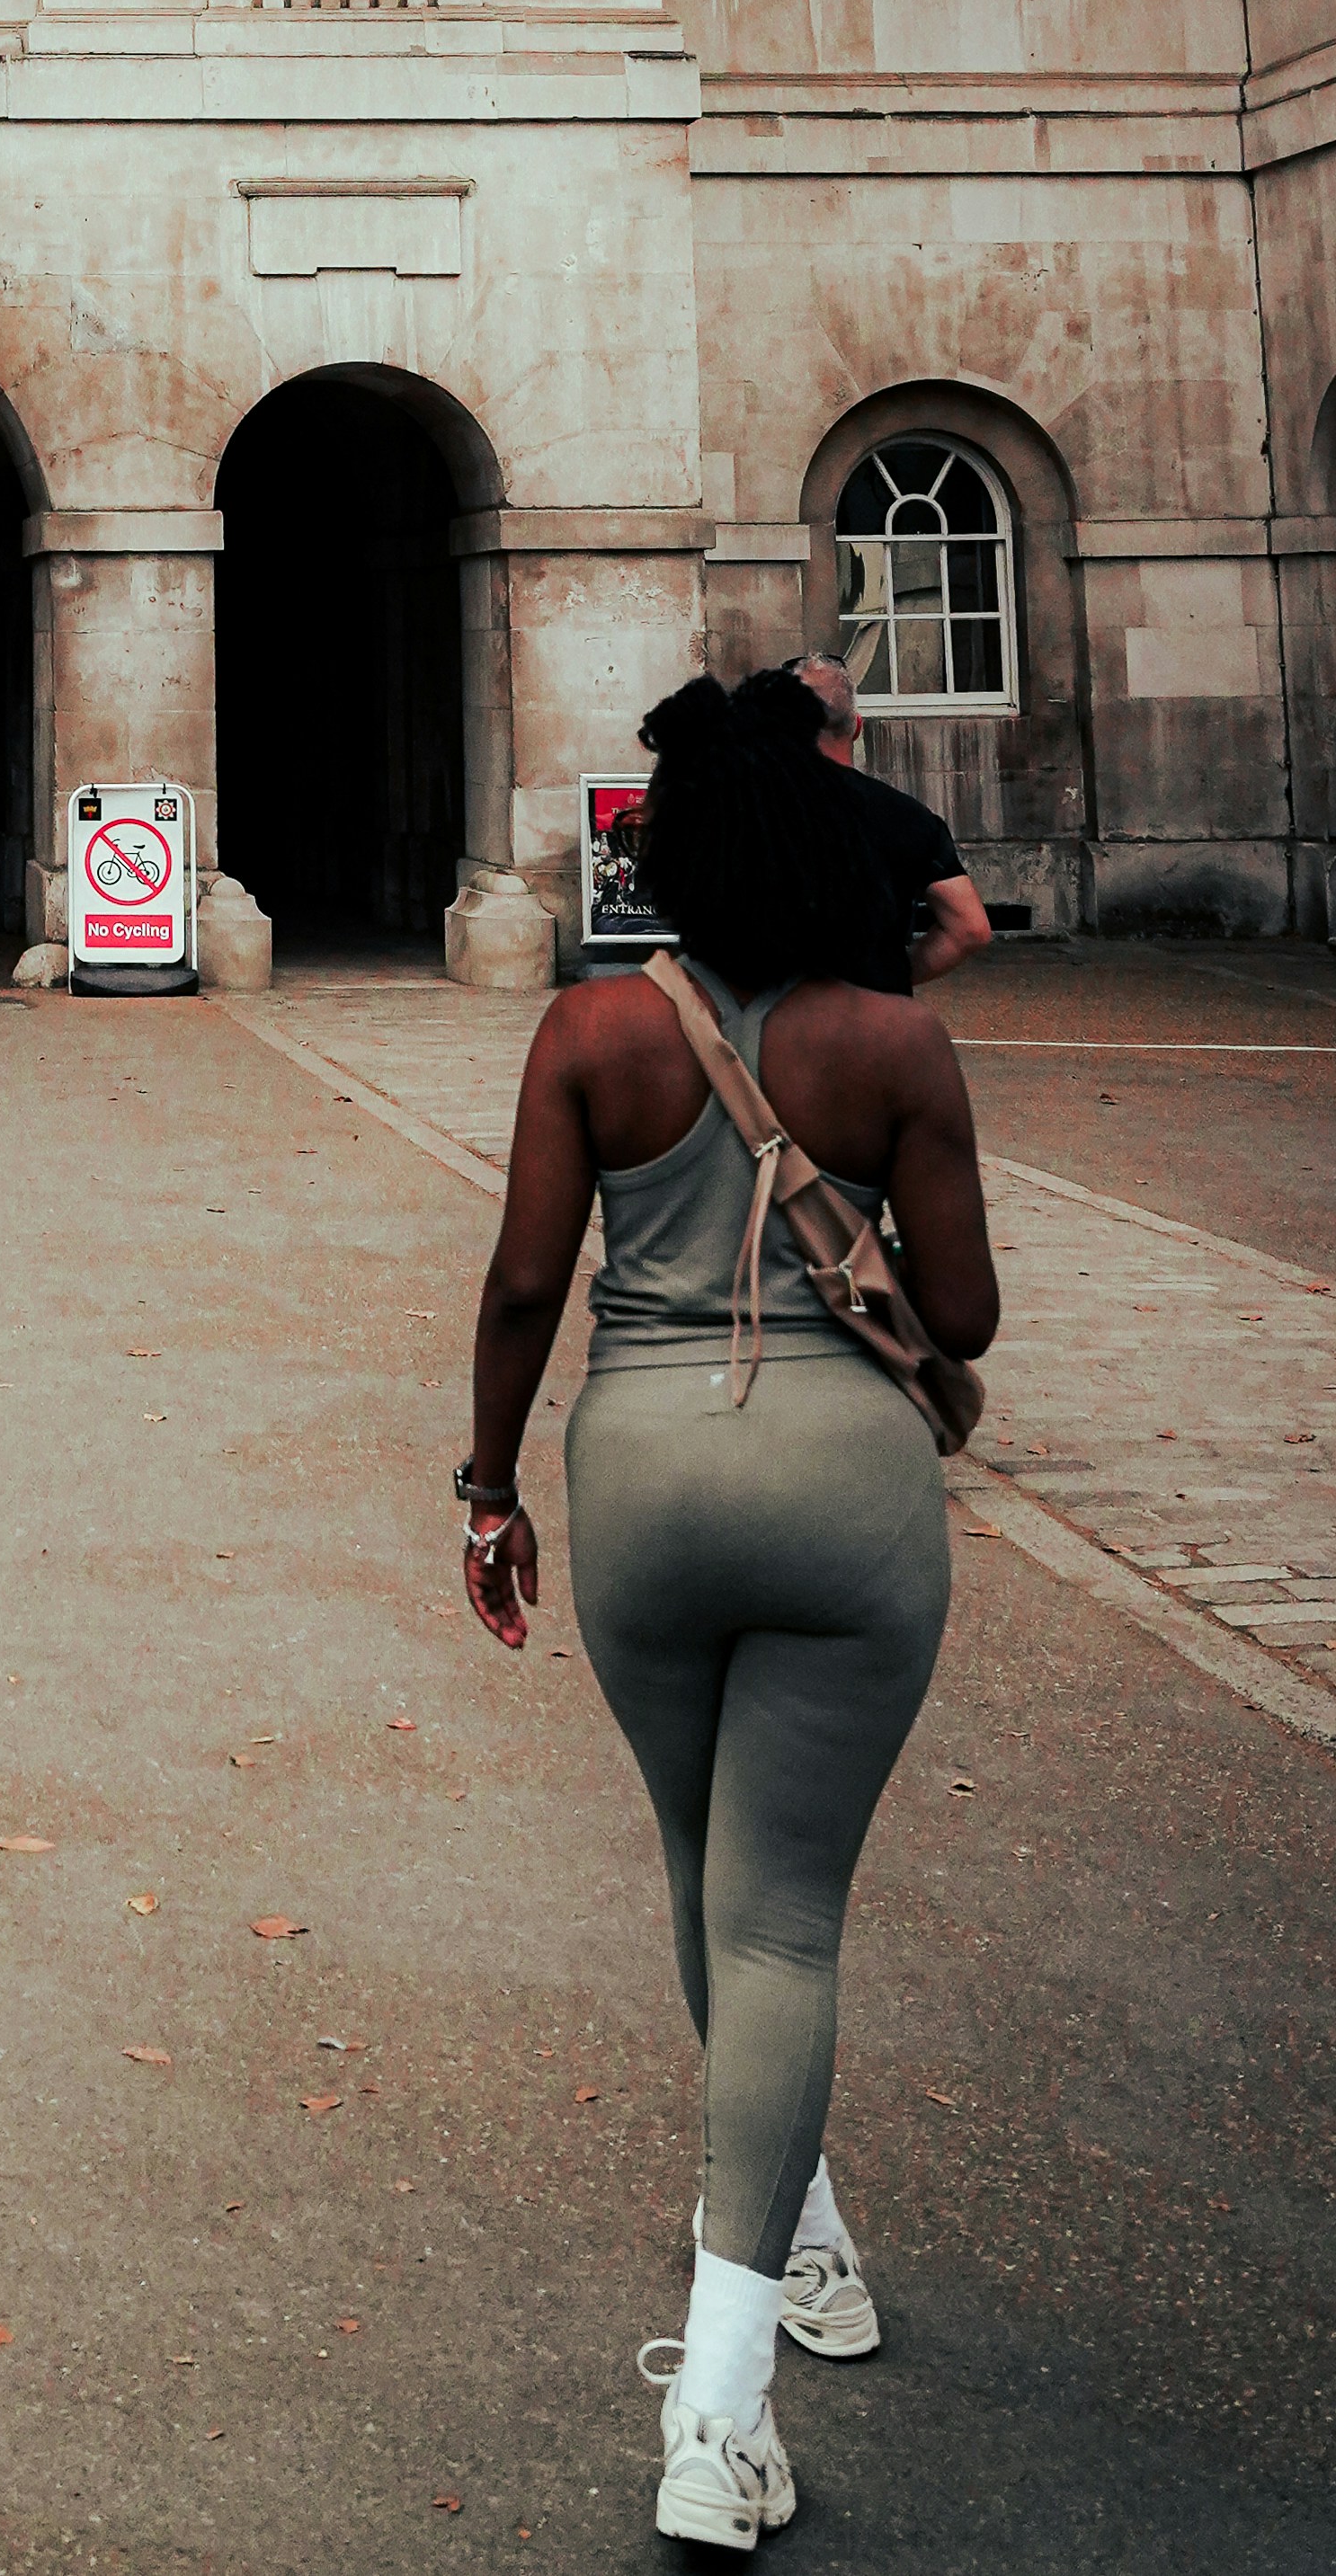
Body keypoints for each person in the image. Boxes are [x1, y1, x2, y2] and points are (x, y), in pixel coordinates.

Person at [457, 670, 999, 2551]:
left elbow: (527, 1277)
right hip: (844, 1489)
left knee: (709, 1883)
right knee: (780, 1918)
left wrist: (479, 1485)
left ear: (663, 856)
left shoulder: (591, 1028)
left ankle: (804, 2229)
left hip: (644, 1482)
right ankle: (717, 2405)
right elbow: (968, 1311)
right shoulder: (889, 1043)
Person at [797, 653, 995, 985]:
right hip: (878, 1020)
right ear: (857, 727)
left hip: (776, 1025)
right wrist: (894, 975)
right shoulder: (909, 818)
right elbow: (970, 929)